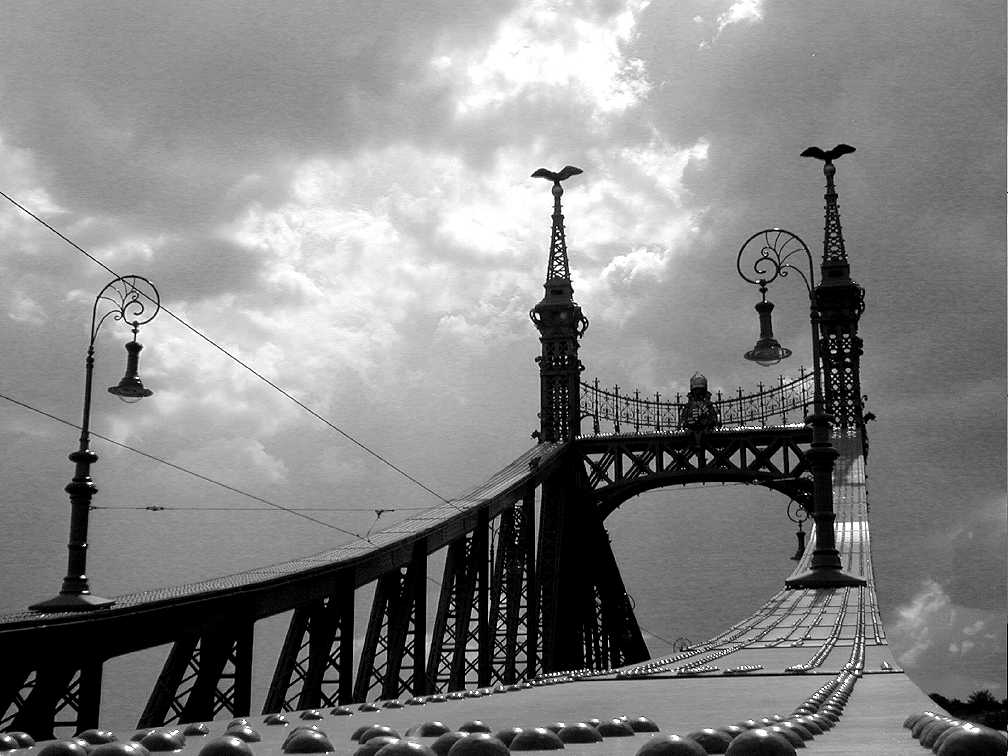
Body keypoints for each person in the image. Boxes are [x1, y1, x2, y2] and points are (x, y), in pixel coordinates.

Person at [678, 373, 720, 447]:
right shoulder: (703, 404)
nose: (698, 393)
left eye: (699, 391)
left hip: (699, 427)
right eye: (697, 391)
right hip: (699, 427)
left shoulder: (691, 405)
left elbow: (684, 418)